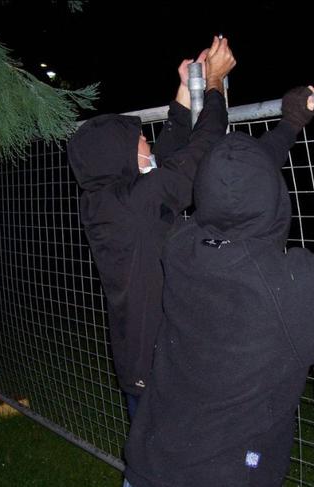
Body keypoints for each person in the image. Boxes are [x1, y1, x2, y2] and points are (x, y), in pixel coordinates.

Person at [124, 86, 314, 487]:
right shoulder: (289, 285)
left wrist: (288, 126)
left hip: (150, 463)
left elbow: (232, 188)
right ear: (273, 193)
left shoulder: (183, 245)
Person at [67, 36, 236, 419]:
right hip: (162, 373)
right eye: (140, 139)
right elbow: (200, 150)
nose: (147, 141)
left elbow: (166, 156)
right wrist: (214, 86)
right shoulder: (135, 203)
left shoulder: (107, 197)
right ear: (122, 157)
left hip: (141, 363)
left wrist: (183, 89)